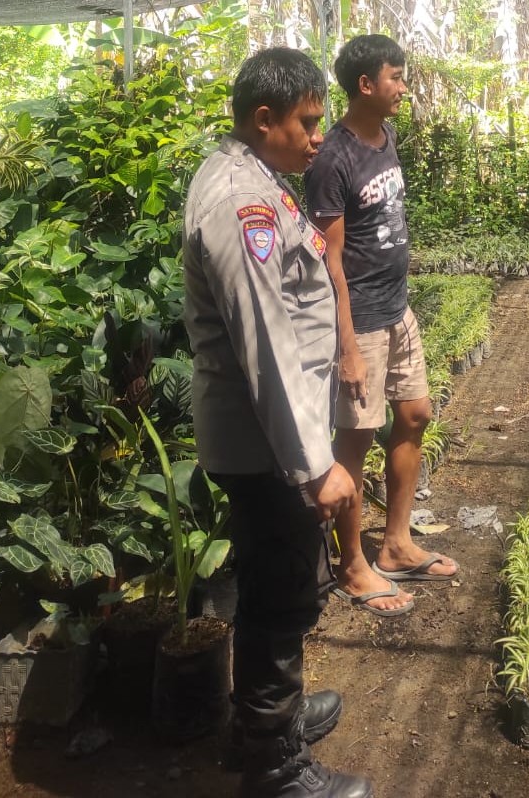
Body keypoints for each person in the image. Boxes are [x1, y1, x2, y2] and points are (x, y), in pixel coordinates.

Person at [182, 47, 372, 798]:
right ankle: (272, 766)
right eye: (307, 122)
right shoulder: (240, 201)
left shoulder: (257, 178)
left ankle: (265, 720)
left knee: (277, 582)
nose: (317, 136)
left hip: (270, 441)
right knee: (279, 593)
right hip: (266, 447)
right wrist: (312, 463)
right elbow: (264, 336)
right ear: (265, 119)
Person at [303, 34, 460, 617]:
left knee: (415, 413)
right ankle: (351, 566)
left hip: (397, 307)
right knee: (355, 441)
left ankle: (394, 545)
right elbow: (330, 260)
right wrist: (347, 347)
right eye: (396, 78)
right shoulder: (332, 160)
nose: (403, 87)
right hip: (360, 320)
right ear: (365, 85)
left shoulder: (385, 134)